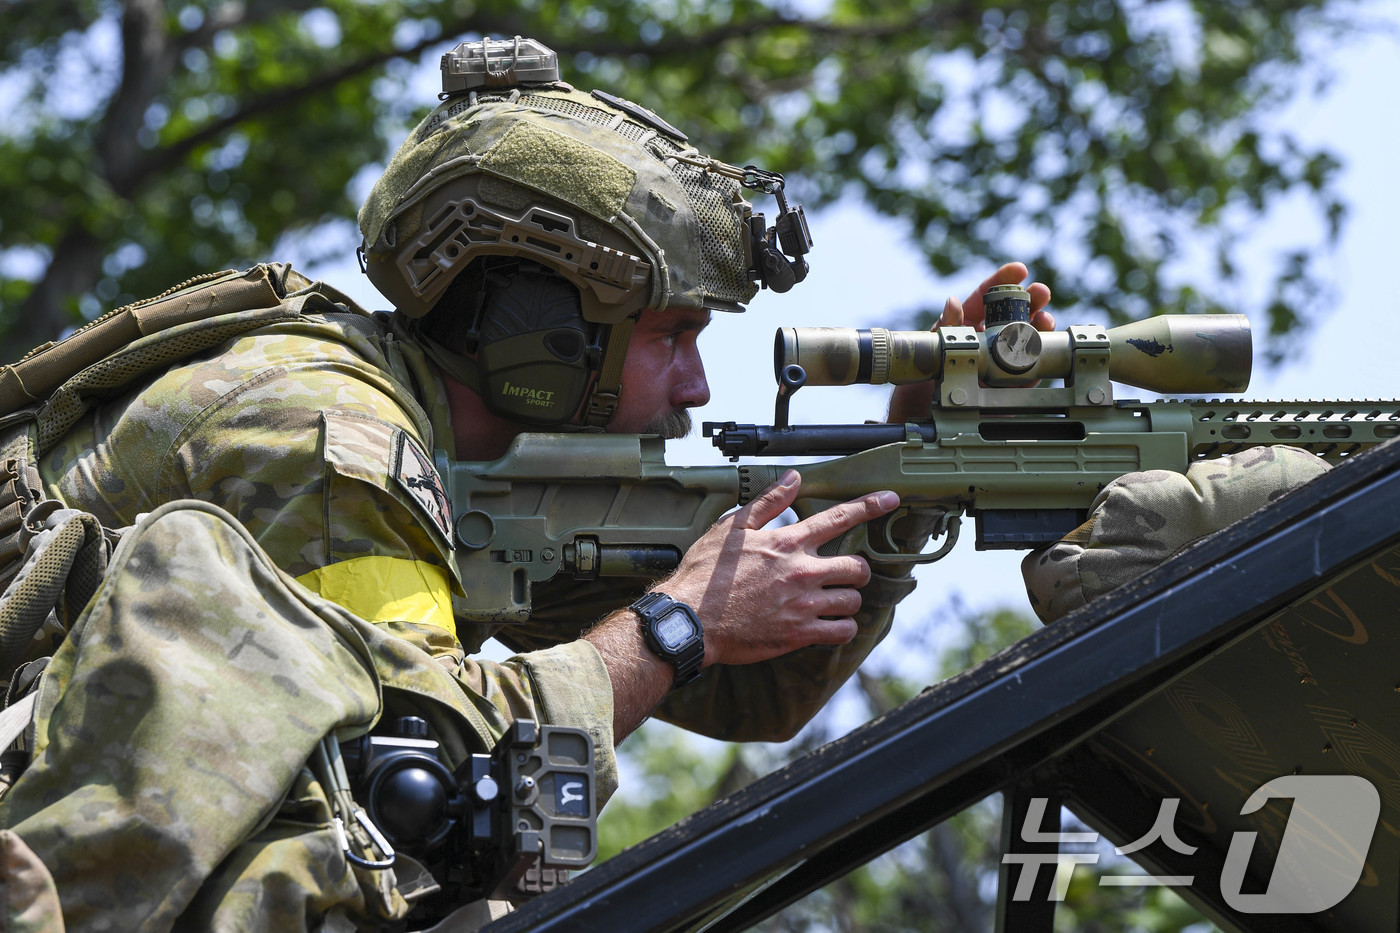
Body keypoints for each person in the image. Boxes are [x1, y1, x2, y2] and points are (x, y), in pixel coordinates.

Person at [0, 38, 1054, 932]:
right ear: (543, 333)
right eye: (673, 335)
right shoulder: (329, 440)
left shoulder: (467, 463)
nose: (695, 384)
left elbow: (758, 690)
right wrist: (676, 625)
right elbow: (421, 797)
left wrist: (909, 468)